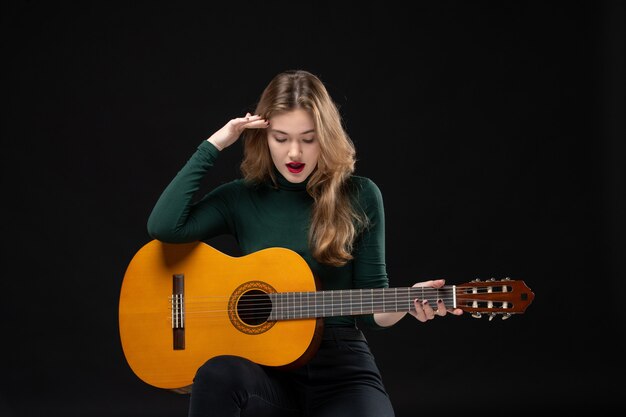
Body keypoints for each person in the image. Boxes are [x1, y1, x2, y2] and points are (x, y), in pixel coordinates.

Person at [147, 69, 463, 417]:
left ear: (325, 137)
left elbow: (373, 314)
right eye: (281, 138)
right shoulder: (240, 198)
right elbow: (164, 226)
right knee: (216, 373)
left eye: (308, 138)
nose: (294, 152)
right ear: (263, 137)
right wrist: (215, 143)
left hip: (340, 367)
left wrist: (409, 301)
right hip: (265, 370)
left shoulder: (361, 194)